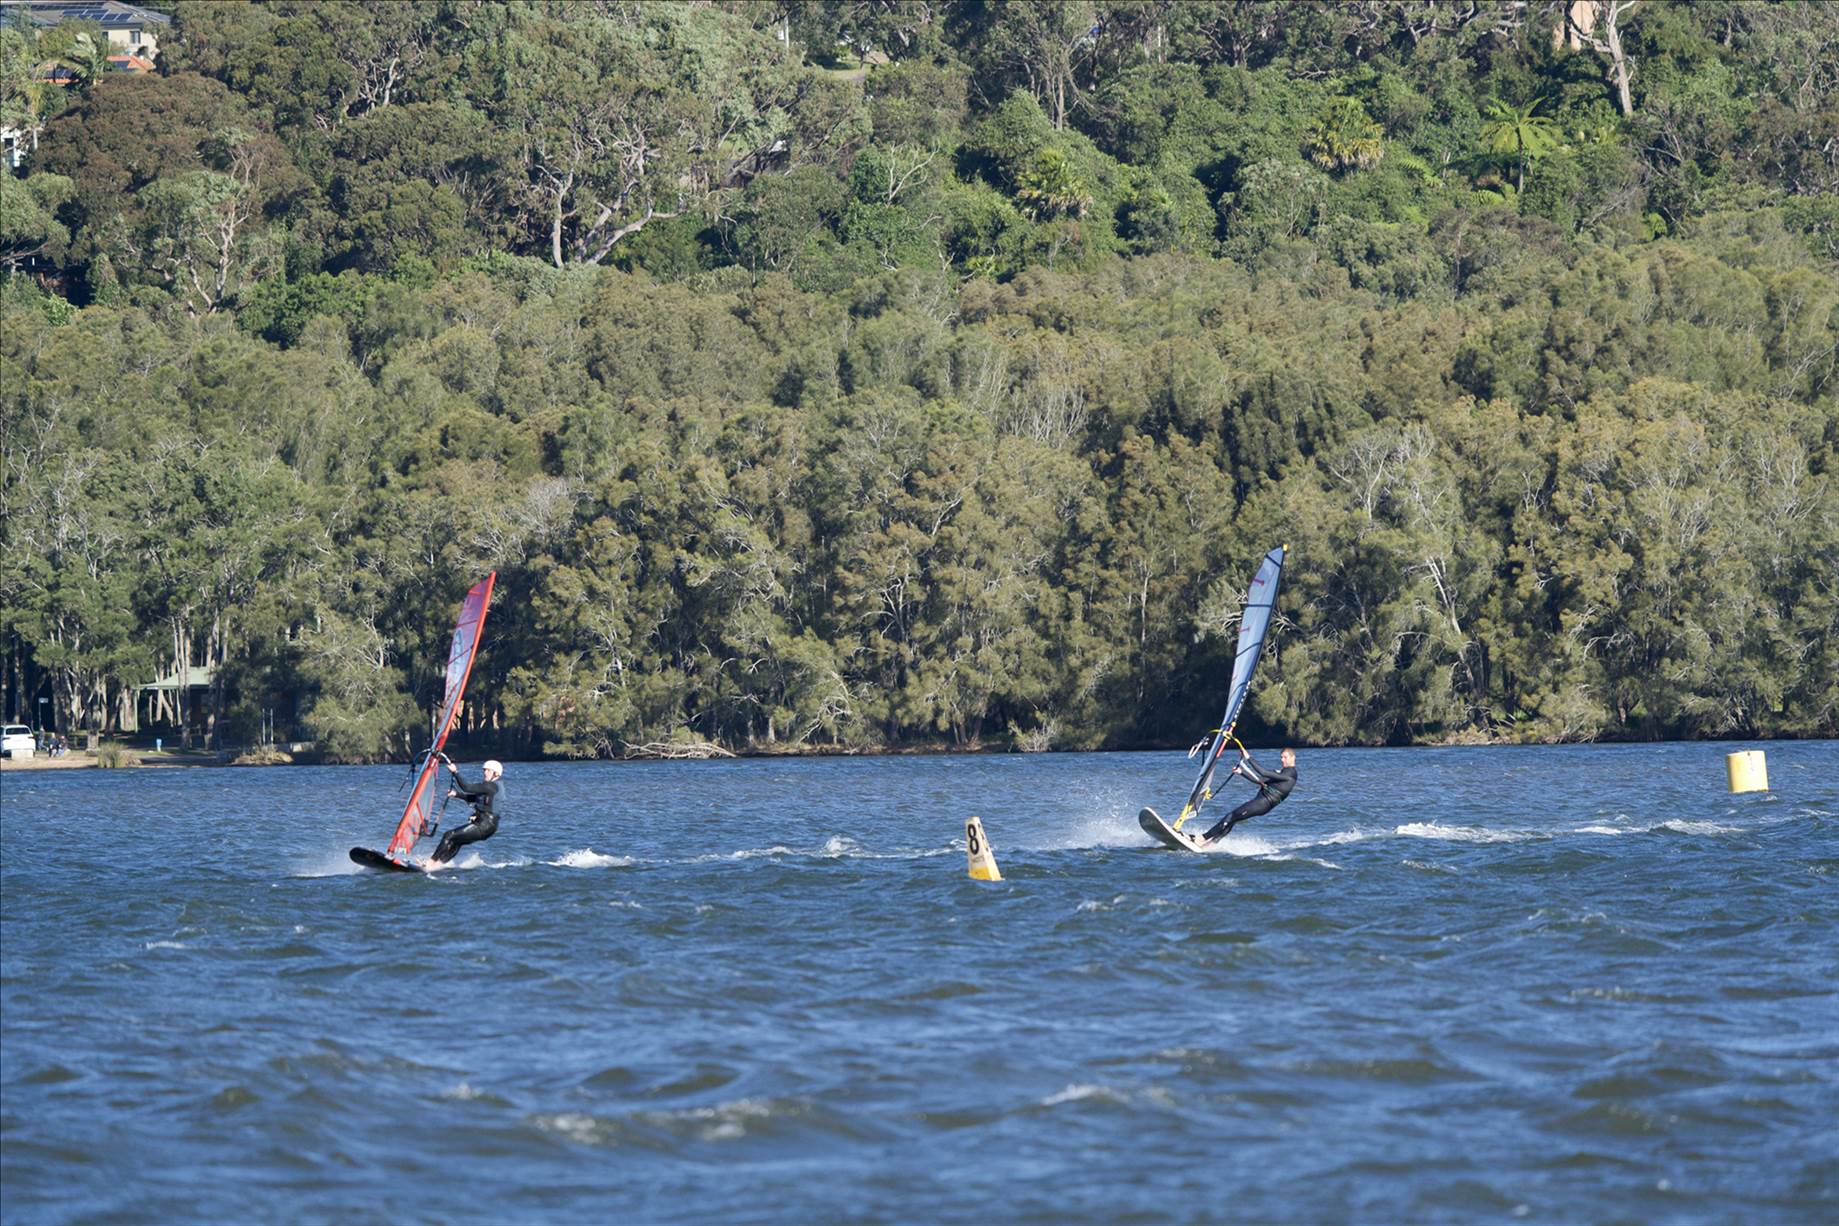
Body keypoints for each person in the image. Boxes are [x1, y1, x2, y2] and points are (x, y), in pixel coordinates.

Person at [1194, 747, 1296, 844]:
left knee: (1231, 816)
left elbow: (1263, 772)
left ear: (1292, 758)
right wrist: (1241, 772)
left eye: (1285, 757)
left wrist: (1248, 757)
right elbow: (1259, 780)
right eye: (1281, 757)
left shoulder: (1290, 774)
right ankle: (1211, 843)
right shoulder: (1282, 774)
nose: (1282, 760)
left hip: (1262, 803)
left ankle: (1202, 838)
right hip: (1262, 804)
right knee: (1233, 820)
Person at [433, 758, 504, 864]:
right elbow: (475, 799)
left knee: (449, 835)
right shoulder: (492, 788)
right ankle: (439, 864)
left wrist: (455, 772)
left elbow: (467, 787)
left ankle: (430, 862)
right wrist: (456, 794)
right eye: (484, 770)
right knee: (457, 842)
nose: (485, 772)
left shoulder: (491, 786)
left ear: (496, 774)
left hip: (485, 825)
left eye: (488, 770)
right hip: (488, 826)